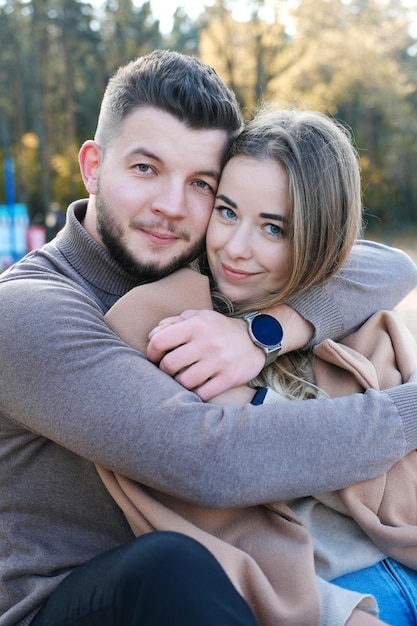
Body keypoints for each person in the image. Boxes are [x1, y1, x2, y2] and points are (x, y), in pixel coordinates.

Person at [1, 49, 417, 626]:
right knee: (170, 569)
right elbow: (212, 458)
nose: (171, 207)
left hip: (233, 576)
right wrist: (408, 413)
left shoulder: (196, 258)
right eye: (145, 169)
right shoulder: (26, 310)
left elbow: (383, 264)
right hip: (83, 600)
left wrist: (263, 332)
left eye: (201, 183)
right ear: (94, 166)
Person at [102, 106, 403, 625]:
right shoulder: (163, 326)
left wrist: (259, 336)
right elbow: (207, 527)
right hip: (330, 597)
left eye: (273, 227)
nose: (235, 249)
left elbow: (401, 486)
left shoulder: (349, 309)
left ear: (319, 235)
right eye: (226, 211)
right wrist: (340, 614)